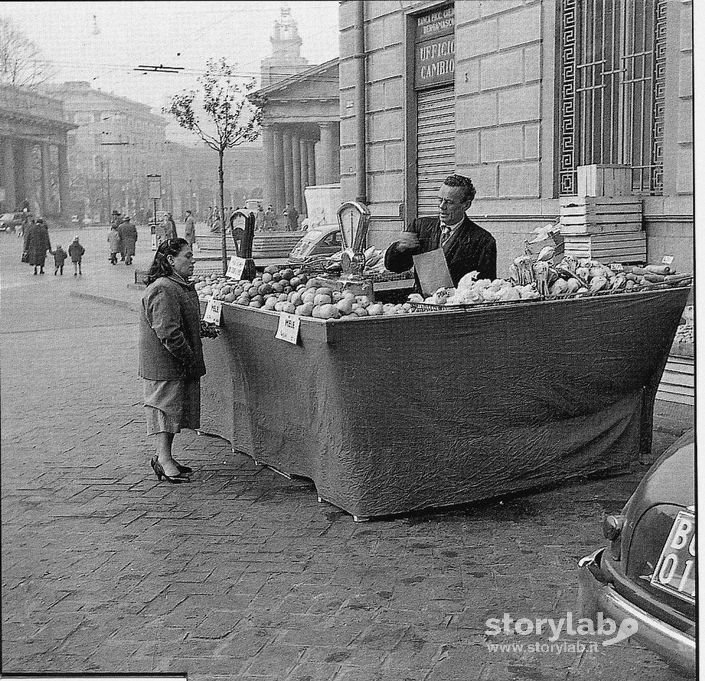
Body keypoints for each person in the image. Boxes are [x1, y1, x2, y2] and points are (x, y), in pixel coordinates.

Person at [138, 238, 214, 483]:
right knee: (165, 411)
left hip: (172, 364)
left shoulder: (176, 285)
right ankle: (162, 459)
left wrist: (200, 327)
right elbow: (168, 332)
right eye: (187, 256)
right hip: (165, 365)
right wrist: (188, 359)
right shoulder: (164, 288)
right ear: (171, 260)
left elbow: (178, 321)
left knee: (172, 413)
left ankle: (166, 457)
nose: (193, 261)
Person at [384, 174, 497, 287]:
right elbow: (394, 267)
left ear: (466, 205)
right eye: (440, 200)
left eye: (449, 202)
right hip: (421, 302)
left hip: (457, 303)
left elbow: (485, 285)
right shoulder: (420, 227)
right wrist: (400, 248)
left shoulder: (483, 240)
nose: (442, 206)